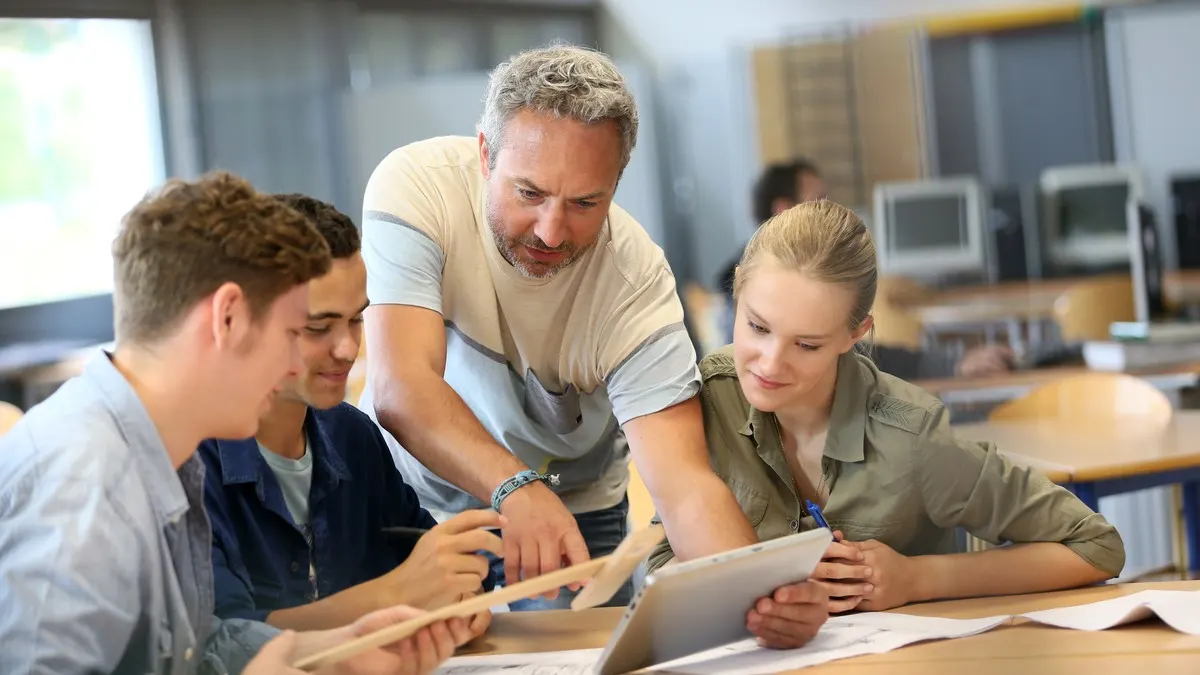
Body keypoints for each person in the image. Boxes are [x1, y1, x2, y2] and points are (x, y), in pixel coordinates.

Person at [358, 43, 826, 647]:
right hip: (413, 497)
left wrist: (761, 600)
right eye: (529, 194)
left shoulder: (636, 288)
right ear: (483, 155)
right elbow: (401, 388)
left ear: (616, 184)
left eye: (585, 203)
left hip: (571, 514)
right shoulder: (417, 188)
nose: (552, 231)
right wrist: (512, 485)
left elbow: (684, 486)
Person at [0, 172, 472, 674]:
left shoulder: (162, 455)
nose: (296, 365)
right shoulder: (88, 482)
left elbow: (198, 646)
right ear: (226, 319)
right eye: (295, 331)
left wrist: (335, 652)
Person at [648, 199, 1125, 612]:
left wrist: (918, 579)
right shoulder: (706, 399)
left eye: (807, 345)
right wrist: (755, 592)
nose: (770, 363)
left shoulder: (911, 437)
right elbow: (658, 564)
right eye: (757, 326)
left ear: (855, 334)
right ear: (737, 289)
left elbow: (1095, 546)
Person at [200, 193, 501, 633]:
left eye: (356, 320)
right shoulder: (189, 463)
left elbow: (430, 564)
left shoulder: (352, 435)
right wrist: (395, 595)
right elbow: (222, 642)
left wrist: (459, 598)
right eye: (318, 328)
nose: (346, 349)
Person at [715, 161, 1079, 378]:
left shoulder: (802, 285)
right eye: (818, 198)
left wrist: (952, 362)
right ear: (783, 210)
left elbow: (859, 357)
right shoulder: (766, 288)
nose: (828, 208)